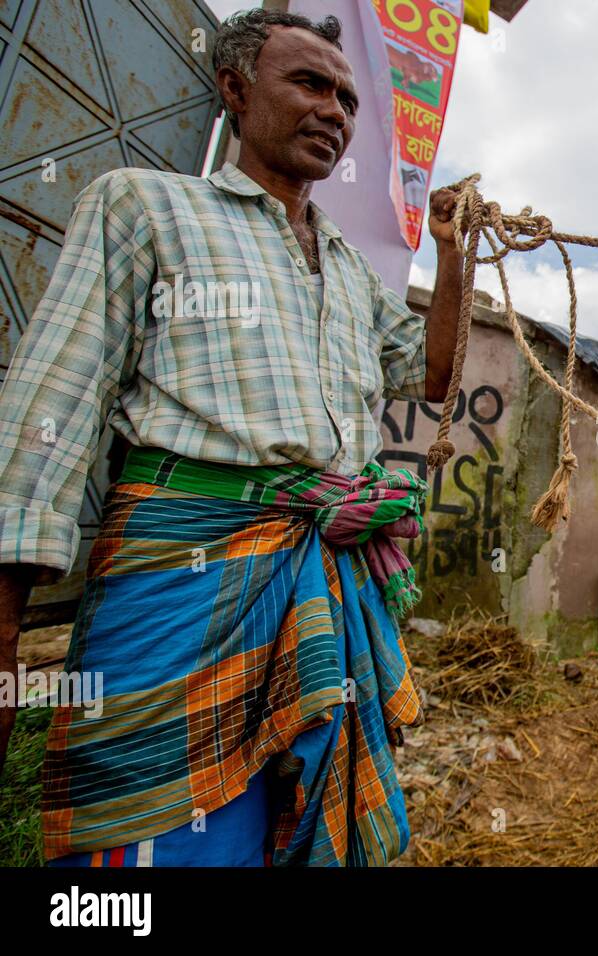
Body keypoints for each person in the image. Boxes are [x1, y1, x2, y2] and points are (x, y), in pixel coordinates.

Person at [0, 9, 468, 866]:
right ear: (235, 88)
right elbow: (49, 409)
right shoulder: (146, 206)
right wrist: (8, 607)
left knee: (291, 821)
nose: (335, 110)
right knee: (156, 842)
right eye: (310, 84)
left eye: (348, 98)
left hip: (322, 580)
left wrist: (452, 252)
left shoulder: (350, 271)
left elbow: (432, 376)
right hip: (181, 578)